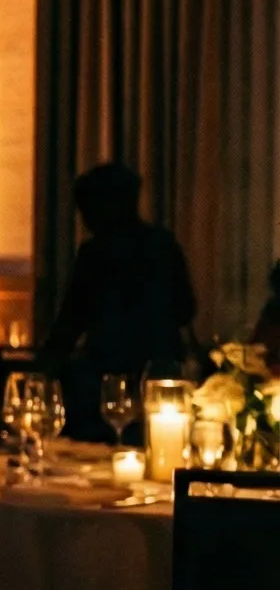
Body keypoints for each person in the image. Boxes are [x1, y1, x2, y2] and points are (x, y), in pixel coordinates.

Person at [47, 164, 197, 435]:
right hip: (161, 374)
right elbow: (186, 309)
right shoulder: (163, 245)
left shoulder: (96, 254)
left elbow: (70, 321)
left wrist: (43, 368)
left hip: (104, 378)